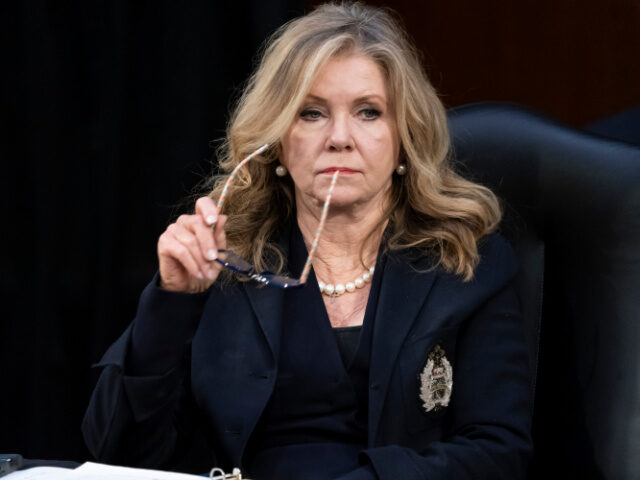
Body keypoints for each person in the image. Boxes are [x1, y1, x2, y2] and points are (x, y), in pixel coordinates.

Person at [82, 3, 532, 479]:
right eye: (312, 113)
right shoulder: (222, 259)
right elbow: (120, 454)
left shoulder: (465, 262)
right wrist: (170, 304)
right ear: (277, 141)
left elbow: (497, 453)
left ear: (405, 138)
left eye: (368, 112)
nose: (340, 137)